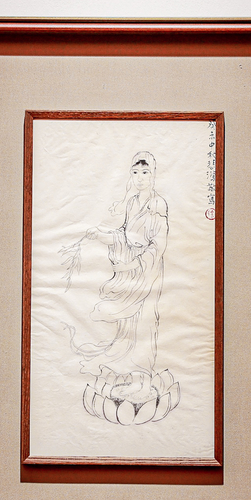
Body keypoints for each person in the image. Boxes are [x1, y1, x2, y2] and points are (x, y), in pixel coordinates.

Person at [72, 151, 169, 405]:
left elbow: (158, 245)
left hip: (147, 271)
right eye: (135, 173)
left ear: (153, 175)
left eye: (145, 172)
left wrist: (134, 264)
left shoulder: (158, 204)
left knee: (144, 323)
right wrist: (101, 235)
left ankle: (143, 382)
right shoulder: (132, 203)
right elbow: (123, 235)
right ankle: (130, 378)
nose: (140, 178)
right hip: (130, 271)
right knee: (127, 325)